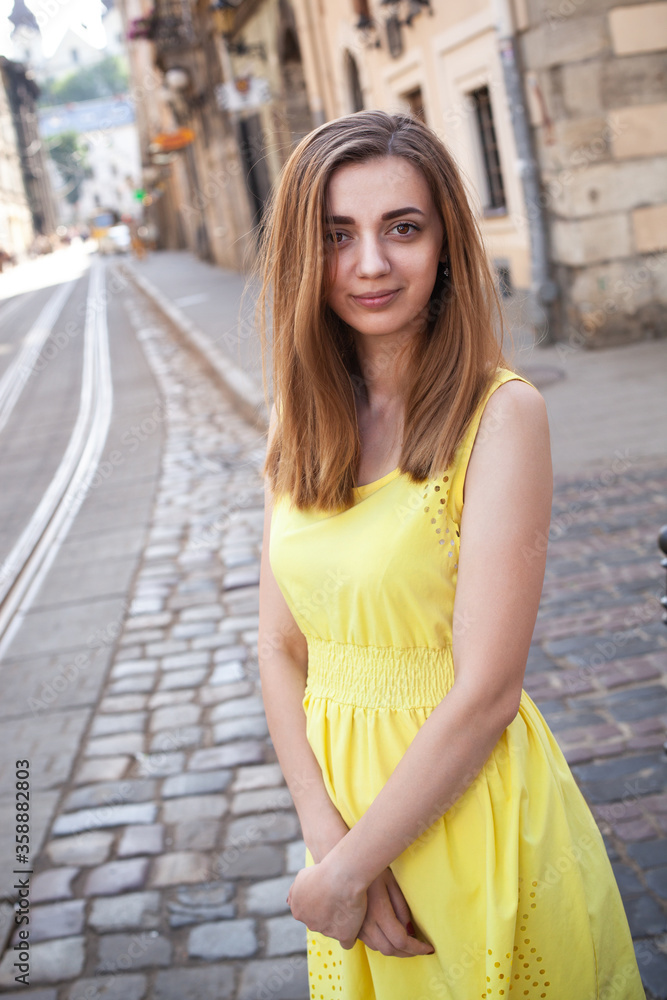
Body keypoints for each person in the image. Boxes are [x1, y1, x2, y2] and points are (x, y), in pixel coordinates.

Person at [255, 110, 644, 999]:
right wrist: (334, 846)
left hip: (470, 823)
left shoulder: (501, 417)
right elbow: (281, 648)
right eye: (335, 235)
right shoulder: (297, 423)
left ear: (445, 246)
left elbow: (485, 694)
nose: (370, 264)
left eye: (402, 228)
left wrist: (352, 866)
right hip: (348, 840)